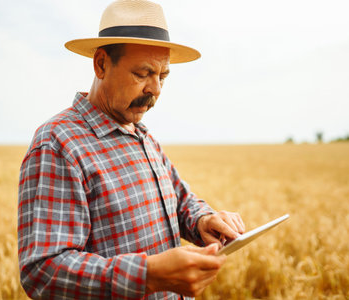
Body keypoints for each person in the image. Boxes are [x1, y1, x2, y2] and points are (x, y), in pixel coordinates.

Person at [17, 0, 245, 299]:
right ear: (101, 64)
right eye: (143, 73)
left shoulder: (141, 135)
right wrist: (147, 274)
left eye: (162, 76)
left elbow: (179, 200)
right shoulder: (58, 144)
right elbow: (43, 271)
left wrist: (203, 220)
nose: (156, 89)